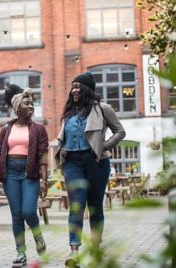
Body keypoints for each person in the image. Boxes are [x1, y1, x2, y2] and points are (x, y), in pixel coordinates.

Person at [55, 72, 126, 267]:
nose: (74, 90)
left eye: (78, 87)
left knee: (95, 207)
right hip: (72, 163)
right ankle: (74, 252)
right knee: (76, 207)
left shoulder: (103, 109)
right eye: (73, 87)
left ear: (87, 89)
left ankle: (95, 248)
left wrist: (105, 145)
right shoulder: (69, 112)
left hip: (96, 162)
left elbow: (120, 131)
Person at [0, 84, 49, 267]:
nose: (31, 106)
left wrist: (44, 180)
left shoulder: (39, 129)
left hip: (29, 173)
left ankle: (37, 234)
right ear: (18, 107)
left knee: (28, 211)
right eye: (27, 104)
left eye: (32, 103)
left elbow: (42, 155)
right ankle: (21, 253)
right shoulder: (6, 129)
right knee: (16, 215)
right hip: (10, 173)